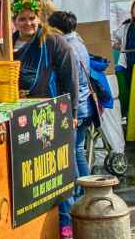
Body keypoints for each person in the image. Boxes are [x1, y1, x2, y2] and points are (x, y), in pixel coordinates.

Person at [8, 0, 78, 239]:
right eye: (21, 19)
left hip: (53, 117)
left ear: (39, 18)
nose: (27, 23)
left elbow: (71, 77)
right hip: (21, 119)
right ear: (14, 21)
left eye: (31, 18)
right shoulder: (6, 45)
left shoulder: (54, 42)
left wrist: (73, 113)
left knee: (60, 173)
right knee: (33, 178)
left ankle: (66, 223)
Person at [48, 11, 93, 188]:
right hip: (84, 104)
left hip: (75, 107)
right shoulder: (78, 42)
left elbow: (70, 81)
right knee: (79, 152)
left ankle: (77, 194)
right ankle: (88, 191)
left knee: (72, 154)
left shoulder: (66, 47)